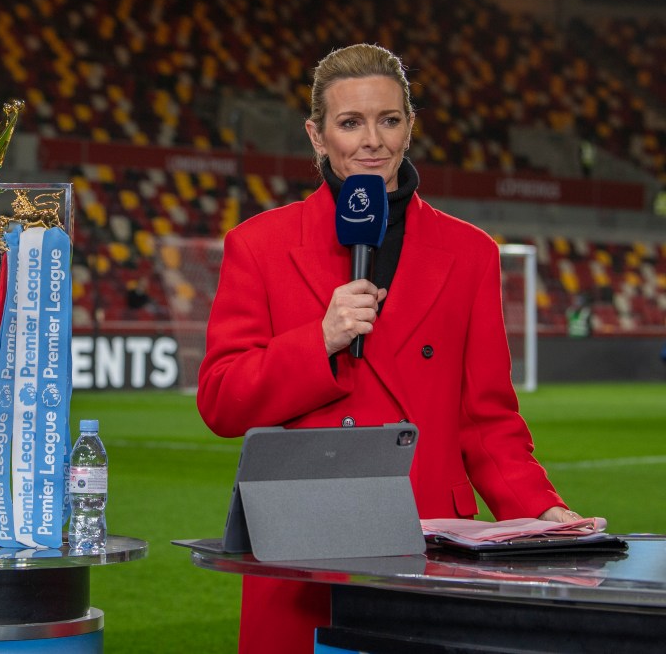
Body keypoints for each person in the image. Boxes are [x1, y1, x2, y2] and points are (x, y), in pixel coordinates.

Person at [196, 43, 583, 654]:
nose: (372, 140)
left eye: (389, 119)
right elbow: (221, 401)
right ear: (317, 137)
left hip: (428, 536)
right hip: (302, 542)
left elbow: (487, 420)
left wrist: (542, 511)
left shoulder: (471, 252)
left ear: (410, 126)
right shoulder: (259, 245)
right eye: (350, 123)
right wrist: (319, 340)